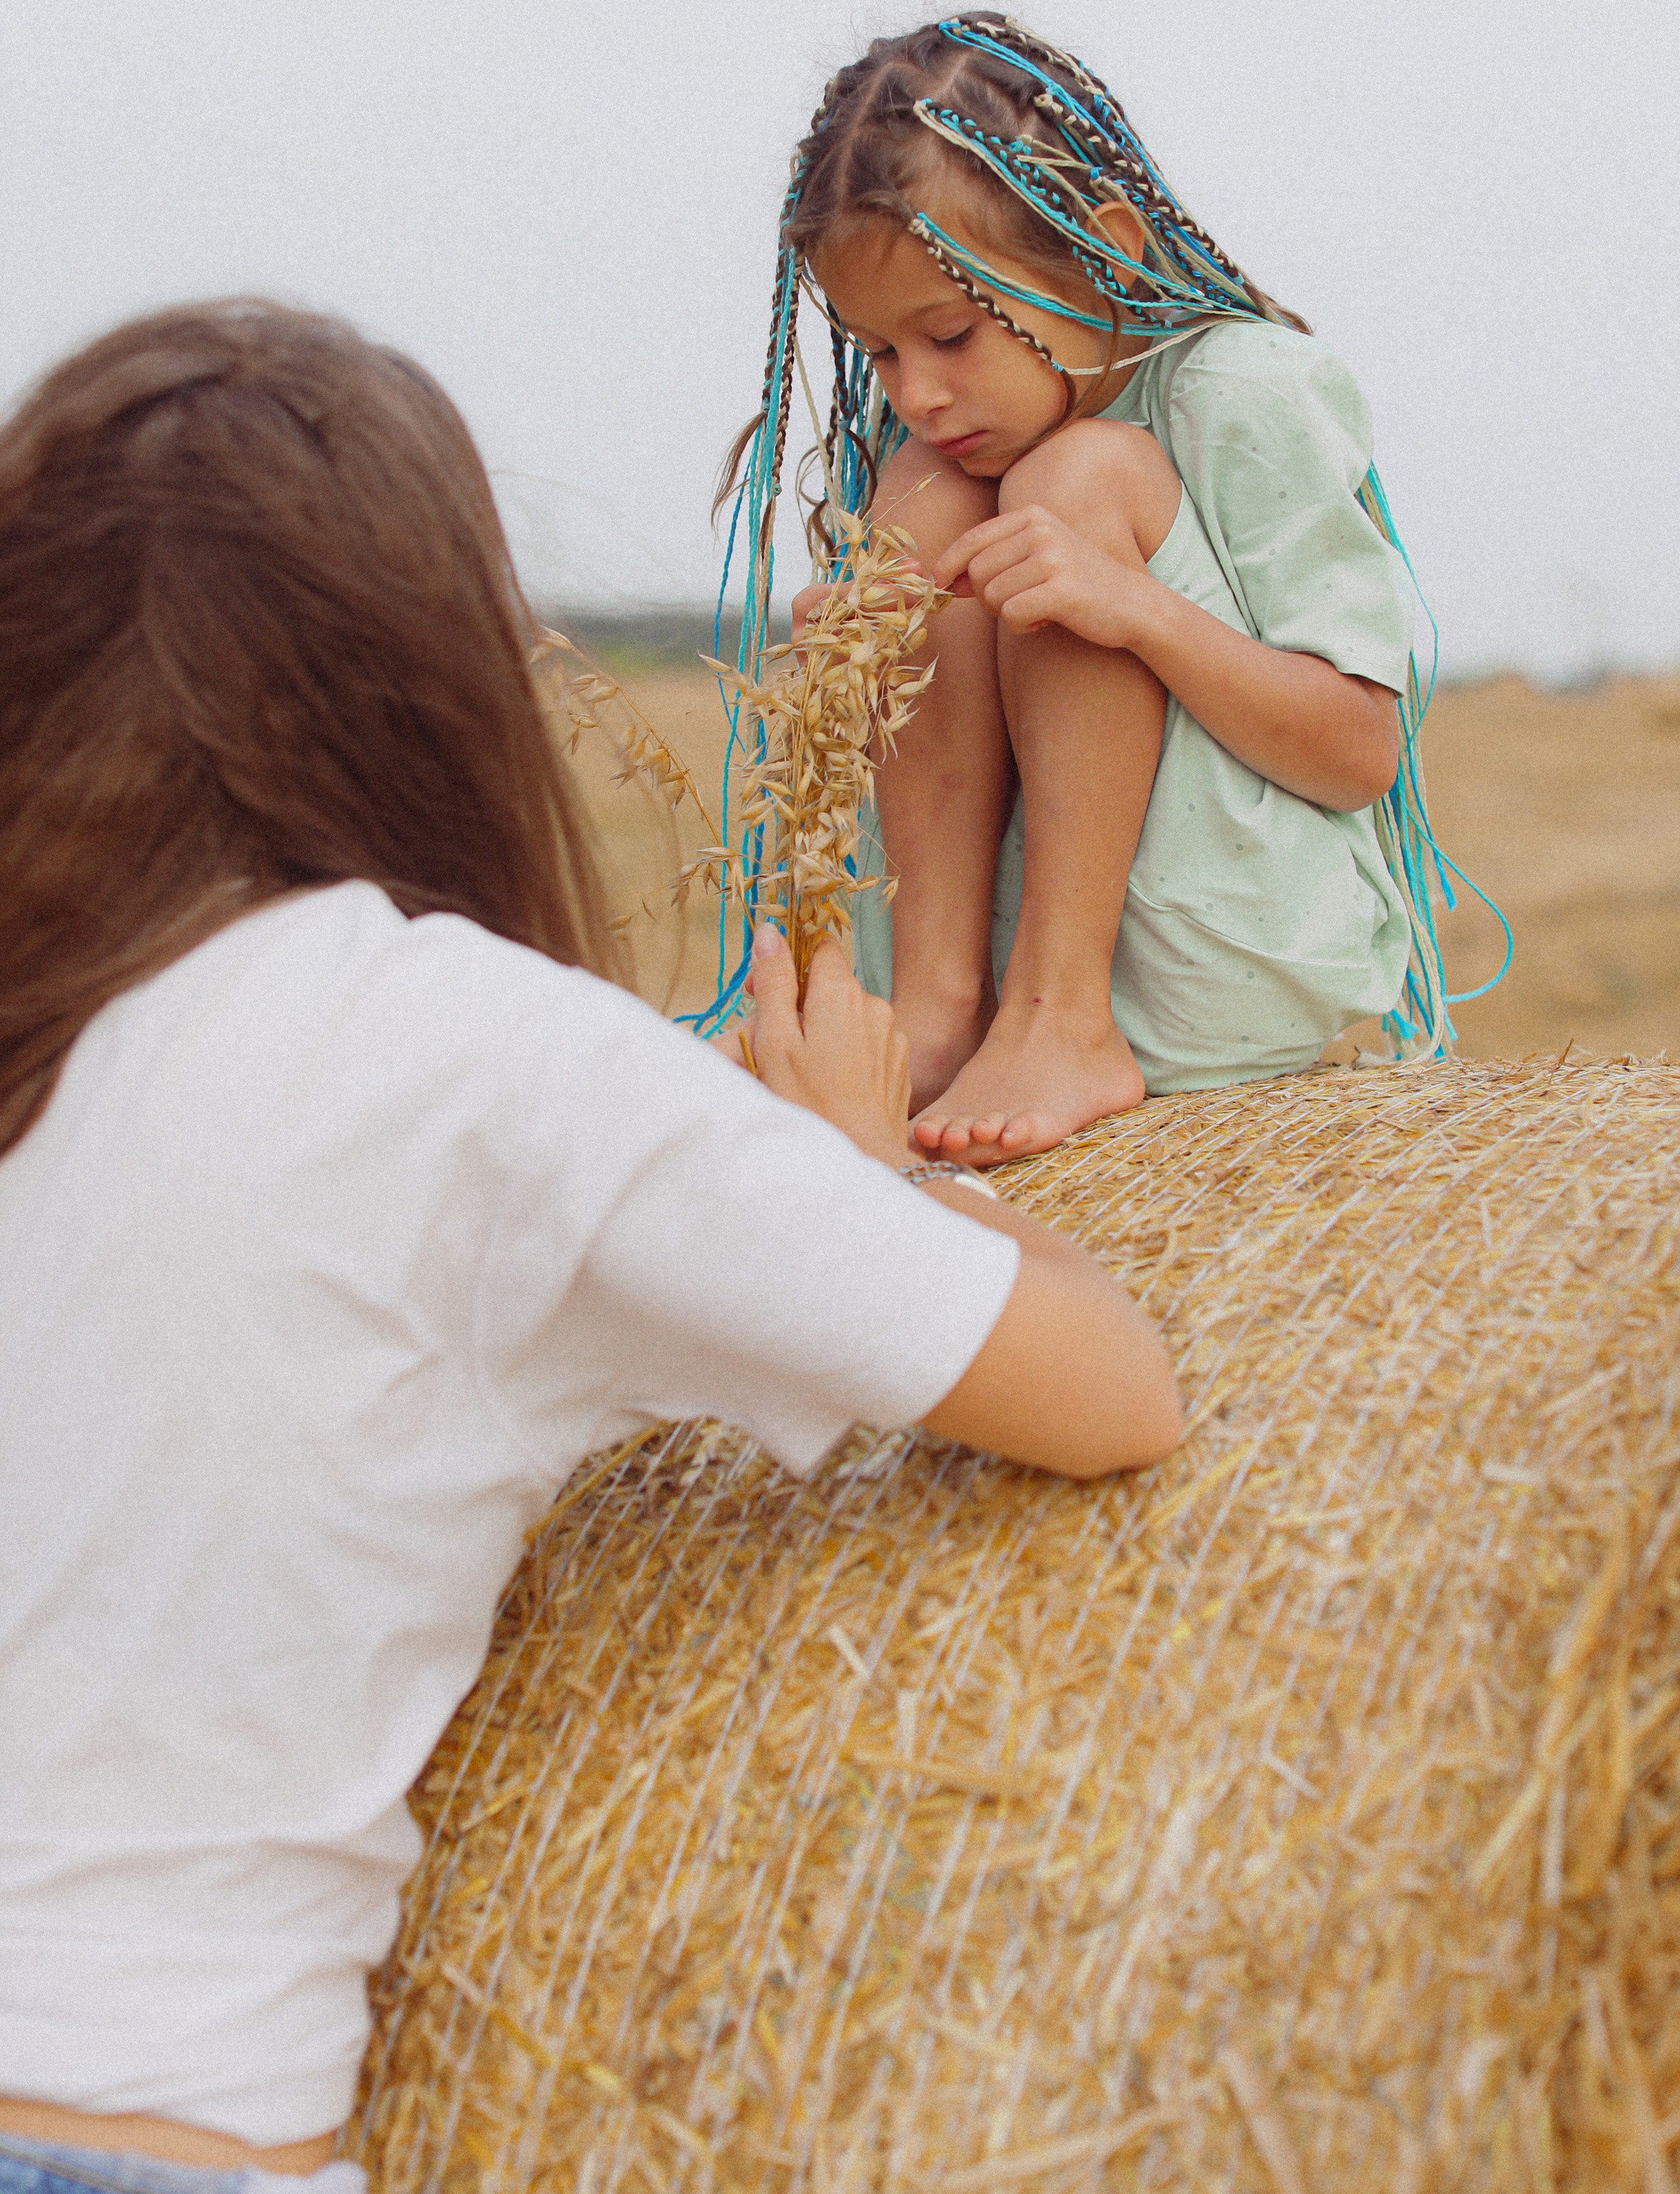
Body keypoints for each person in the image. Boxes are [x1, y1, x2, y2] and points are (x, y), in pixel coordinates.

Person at [0, 303, 1180, 2194]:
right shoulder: (471, 1059)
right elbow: (1112, 1391)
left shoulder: (43, 1023)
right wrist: (876, 1168)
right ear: (423, 663)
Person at [751, 12, 1421, 1165]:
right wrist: (855, 667)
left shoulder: (1245, 391)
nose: (915, 392)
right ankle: (936, 1009)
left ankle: (1068, 1016)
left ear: (1105, 247)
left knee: (1076, 477)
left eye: (953, 333)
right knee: (925, 504)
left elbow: (1361, 751)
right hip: (979, 988)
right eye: (880, 354)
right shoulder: (937, 461)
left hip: (1212, 957)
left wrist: (1142, 611)